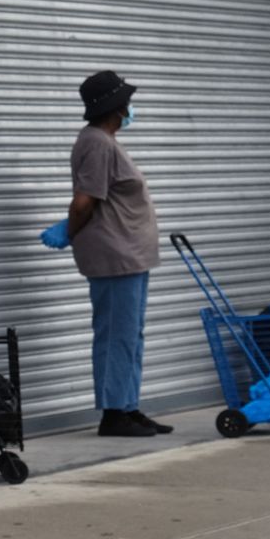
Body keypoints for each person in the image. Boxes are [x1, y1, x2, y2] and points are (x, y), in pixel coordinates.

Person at [40, 71, 170, 437]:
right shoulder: (96, 143)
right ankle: (114, 414)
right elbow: (85, 201)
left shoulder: (107, 142)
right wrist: (68, 229)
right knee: (116, 334)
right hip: (115, 256)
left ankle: (128, 405)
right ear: (116, 107)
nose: (130, 108)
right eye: (126, 102)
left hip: (131, 256)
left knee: (131, 334)